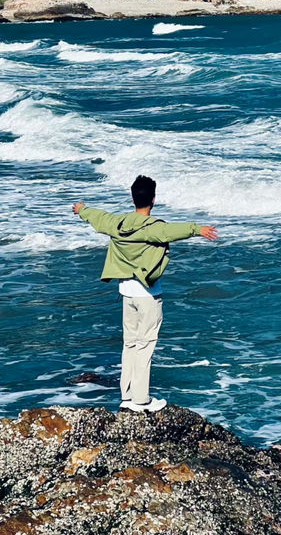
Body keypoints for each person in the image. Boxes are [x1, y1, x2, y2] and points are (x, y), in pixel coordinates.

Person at [72, 175, 218, 413]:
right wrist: (198, 229)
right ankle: (141, 401)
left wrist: (82, 209)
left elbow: (98, 218)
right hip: (148, 295)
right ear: (153, 199)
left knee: (130, 344)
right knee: (145, 345)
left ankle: (127, 396)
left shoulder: (117, 223)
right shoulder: (153, 228)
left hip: (126, 293)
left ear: (132, 198)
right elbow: (172, 231)